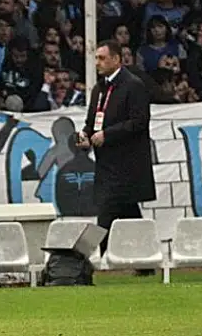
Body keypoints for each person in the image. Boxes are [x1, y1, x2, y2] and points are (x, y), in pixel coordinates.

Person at [76, 40, 156, 257]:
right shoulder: (98, 88)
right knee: (129, 214)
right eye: (96, 58)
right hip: (106, 164)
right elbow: (92, 122)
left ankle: (88, 259)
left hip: (127, 164)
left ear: (116, 59)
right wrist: (84, 136)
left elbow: (139, 122)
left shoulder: (134, 85)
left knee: (106, 212)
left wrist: (107, 135)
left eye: (102, 58)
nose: (97, 63)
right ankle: (146, 260)